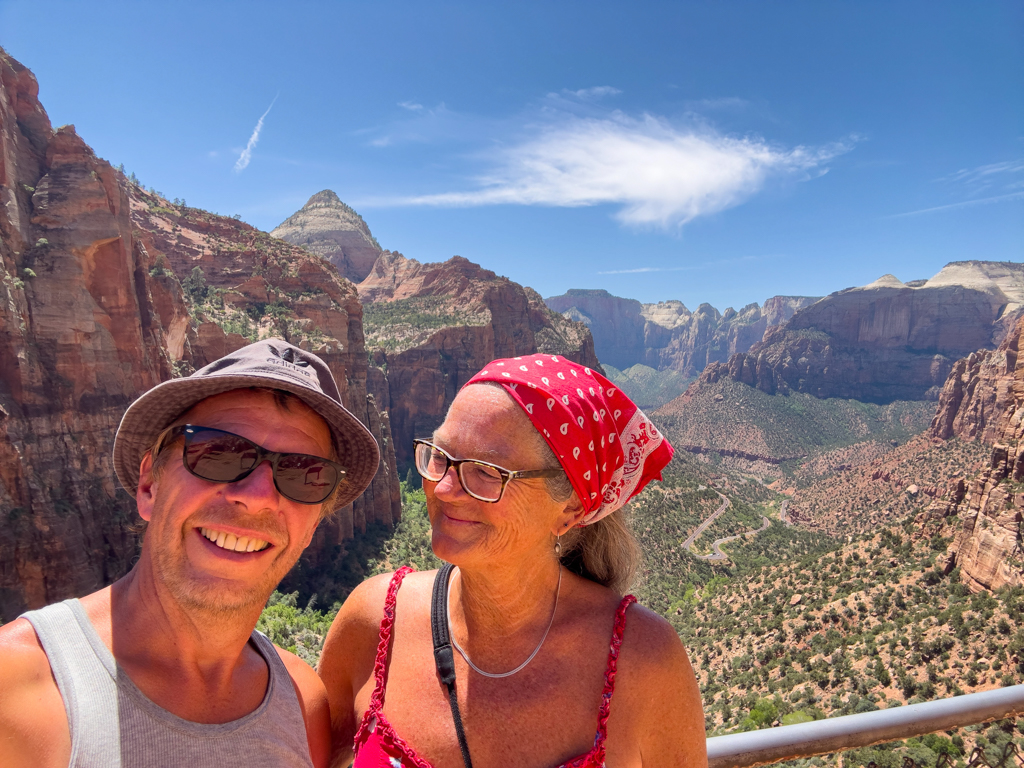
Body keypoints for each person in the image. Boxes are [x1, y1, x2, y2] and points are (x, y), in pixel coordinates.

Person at [0, 339, 381, 768]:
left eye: (303, 474)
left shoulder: (302, 701)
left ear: (312, 526)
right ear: (149, 485)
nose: (256, 496)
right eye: (219, 452)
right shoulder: (15, 688)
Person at [319, 355, 707, 768]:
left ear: (570, 509)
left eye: (487, 471)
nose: (445, 488)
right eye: (439, 456)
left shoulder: (645, 660)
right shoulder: (375, 619)